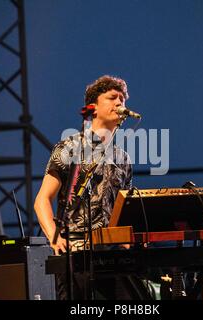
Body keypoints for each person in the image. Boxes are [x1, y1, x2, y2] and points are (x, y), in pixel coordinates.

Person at [34, 75, 148, 300]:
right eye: (112, 98)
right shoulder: (70, 147)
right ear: (93, 108)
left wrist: (128, 238)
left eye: (122, 99)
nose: (119, 103)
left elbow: (122, 209)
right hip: (75, 252)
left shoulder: (122, 158)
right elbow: (42, 199)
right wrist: (54, 237)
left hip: (112, 253)